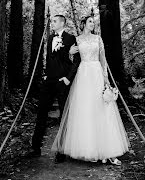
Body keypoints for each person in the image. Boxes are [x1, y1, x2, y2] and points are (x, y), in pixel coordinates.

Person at [51, 14, 130, 165]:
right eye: (90, 21)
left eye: (93, 22)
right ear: (83, 24)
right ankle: (87, 149)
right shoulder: (77, 39)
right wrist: (69, 53)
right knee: (85, 109)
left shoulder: (98, 39)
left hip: (96, 72)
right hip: (83, 75)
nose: (93, 24)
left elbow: (103, 59)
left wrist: (105, 77)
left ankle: (107, 150)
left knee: (101, 108)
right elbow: (72, 60)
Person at [27, 14, 79, 162]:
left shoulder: (71, 38)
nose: (52, 23)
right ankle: (35, 148)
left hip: (62, 82)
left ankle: (61, 151)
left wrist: (68, 79)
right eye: (52, 21)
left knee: (63, 116)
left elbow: (76, 61)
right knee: (41, 113)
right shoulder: (50, 38)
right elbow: (49, 59)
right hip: (48, 81)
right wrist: (45, 74)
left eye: (55, 21)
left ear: (62, 23)